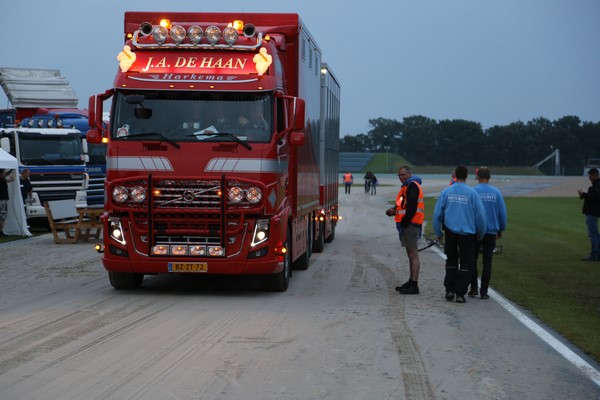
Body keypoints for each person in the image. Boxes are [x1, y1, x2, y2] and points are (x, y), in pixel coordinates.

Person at [433, 166, 487, 303]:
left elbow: (437, 214)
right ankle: (460, 293)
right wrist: (481, 232)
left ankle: (449, 289)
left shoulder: (447, 191)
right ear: (467, 175)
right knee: (466, 263)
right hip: (468, 233)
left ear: (455, 175)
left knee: (451, 260)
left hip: (450, 231)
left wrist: (438, 232)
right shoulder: (472, 193)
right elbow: (480, 215)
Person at [468, 167, 508, 299]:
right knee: (487, 261)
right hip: (491, 231)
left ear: (477, 177)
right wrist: (501, 228)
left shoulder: (473, 192)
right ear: (489, 177)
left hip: (475, 231)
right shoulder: (496, 193)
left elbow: (469, 212)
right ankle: (484, 291)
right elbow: (502, 213)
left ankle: (473, 287)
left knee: (473, 260)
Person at [386, 166, 424, 295]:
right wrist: (392, 211)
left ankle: (414, 284)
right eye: (399, 175)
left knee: (413, 254)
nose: (401, 177)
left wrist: (405, 222)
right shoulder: (406, 187)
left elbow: (412, 207)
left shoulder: (412, 186)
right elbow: (402, 205)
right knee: (410, 254)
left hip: (411, 224)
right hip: (408, 224)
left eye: (403, 174)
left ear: (409, 174)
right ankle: (411, 281)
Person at [577, 167, 600, 261]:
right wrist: (583, 195)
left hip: (592, 212)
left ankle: (594, 254)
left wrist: (583, 194)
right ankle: (597, 254)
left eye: (590, 175)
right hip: (593, 211)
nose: (589, 178)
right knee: (595, 234)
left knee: (593, 234)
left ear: (595, 175)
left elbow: (594, 197)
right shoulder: (596, 185)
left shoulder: (598, 185)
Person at [0, 169, 16, 236]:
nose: (4, 173)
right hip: (2, 199)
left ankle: (1, 230)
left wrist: (11, 171)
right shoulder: (2, 180)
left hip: (4, 199)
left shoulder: (3, 180)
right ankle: (1, 230)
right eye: (3, 172)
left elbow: (9, 177)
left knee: (3, 215)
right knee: (2, 215)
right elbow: (11, 179)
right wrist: (12, 175)